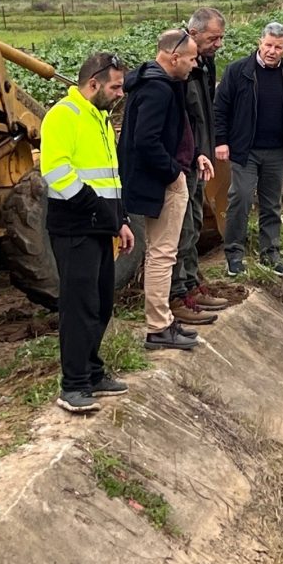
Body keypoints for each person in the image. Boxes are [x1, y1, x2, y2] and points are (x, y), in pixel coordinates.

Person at [41, 52, 135, 414]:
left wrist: (120, 220)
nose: (120, 94)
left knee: (100, 302)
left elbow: (110, 176)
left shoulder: (100, 118)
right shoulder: (64, 115)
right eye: (115, 87)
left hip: (100, 226)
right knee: (79, 307)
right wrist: (96, 208)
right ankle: (74, 385)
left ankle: (93, 372)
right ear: (93, 83)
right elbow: (55, 171)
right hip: (74, 227)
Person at [118, 29, 214, 350]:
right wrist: (173, 173)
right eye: (191, 59)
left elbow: (170, 132)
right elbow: (146, 141)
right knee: (162, 254)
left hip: (163, 178)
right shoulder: (157, 90)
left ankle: (163, 322)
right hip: (163, 183)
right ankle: (159, 326)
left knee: (161, 252)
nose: (194, 64)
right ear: (174, 58)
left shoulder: (156, 82)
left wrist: (193, 154)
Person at [215, 21, 283, 277]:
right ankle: (234, 254)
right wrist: (221, 141)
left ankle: (270, 253)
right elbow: (220, 108)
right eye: (268, 45)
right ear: (259, 43)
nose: (272, 51)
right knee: (241, 198)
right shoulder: (238, 71)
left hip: (278, 151)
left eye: (278, 47)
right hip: (246, 150)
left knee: (271, 203)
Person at [168, 8, 229, 327]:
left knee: (193, 221)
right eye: (213, 38)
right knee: (181, 226)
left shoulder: (205, 64)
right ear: (193, 34)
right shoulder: (180, 67)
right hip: (183, 160)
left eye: (221, 38)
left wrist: (207, 150)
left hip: (198, 158)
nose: (218, 44)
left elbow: (206, 112)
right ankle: (178, 294)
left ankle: (191, 284)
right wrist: (189, 155)